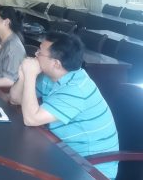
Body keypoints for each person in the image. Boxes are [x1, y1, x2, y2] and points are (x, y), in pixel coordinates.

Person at [9, 32, 118, 180]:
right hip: (63, 152)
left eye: (40, 52)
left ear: (56, 63)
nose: (36, 55)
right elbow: (15, 99)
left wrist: (30, 75)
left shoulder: (77, 88)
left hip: (90, 168)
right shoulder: (50, 77)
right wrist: (23, 77)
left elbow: (31, 119)